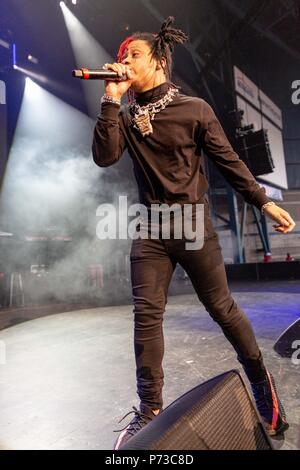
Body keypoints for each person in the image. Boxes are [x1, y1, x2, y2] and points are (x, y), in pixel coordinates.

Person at [92, 17, 295, 449]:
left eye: (134, 55)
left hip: (192, 223)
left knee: (221, 307)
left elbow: (229, 160)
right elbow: (104, 157)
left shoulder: (194, 109)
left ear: (159, 61)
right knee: (146, 315)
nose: (123, 62)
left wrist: (263, 201)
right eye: (122, 55)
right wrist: (111, 101)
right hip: (150, 226)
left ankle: (261, 383)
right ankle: (150, 409)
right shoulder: (125, 116)